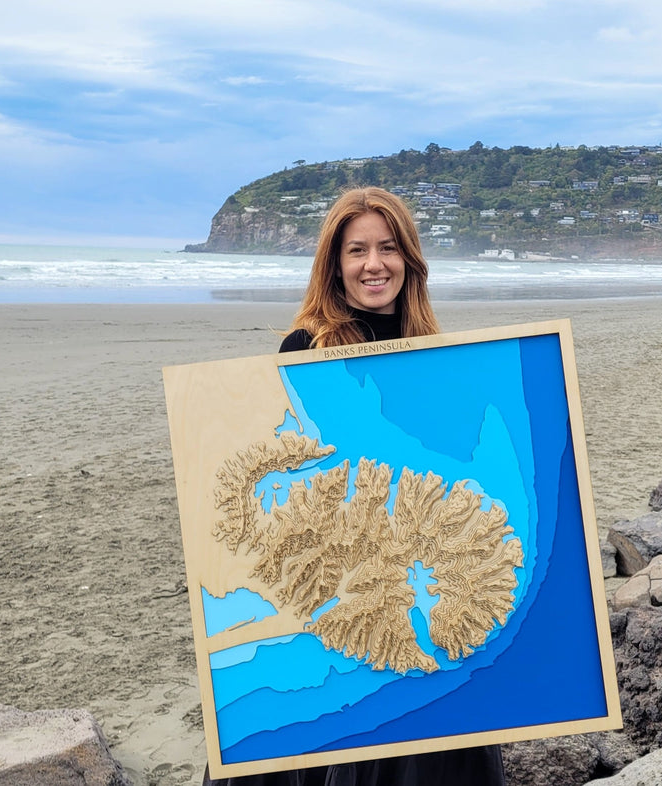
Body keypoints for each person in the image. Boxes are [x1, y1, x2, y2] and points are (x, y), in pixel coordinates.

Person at [202, 187, 506, 786]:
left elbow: (457, 463)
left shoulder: (437, 354)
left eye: (388, 248)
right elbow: (294, 452)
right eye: (357, 250)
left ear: (409, 259)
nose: (374, 264)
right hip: (340, 558)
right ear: (334, 265)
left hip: (413, 554)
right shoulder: (306, 348)